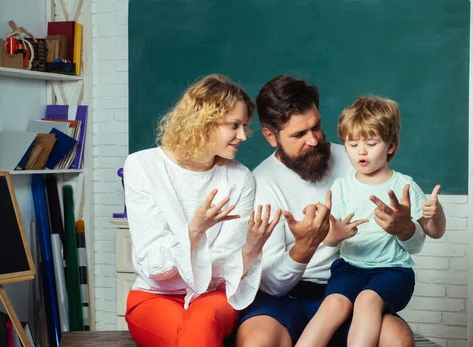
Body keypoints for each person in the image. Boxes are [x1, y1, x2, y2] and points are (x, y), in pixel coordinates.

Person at [236, 75, 428, 347]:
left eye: (316, 127)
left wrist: (406, 229)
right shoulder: (261, 184)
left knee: (397, 339)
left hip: (346, 288)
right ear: (270, 136)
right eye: (299, 134)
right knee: (257, 341)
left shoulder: (356, 160)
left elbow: (415, 242)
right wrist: (305, 245)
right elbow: (273, 285)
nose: (314, 140)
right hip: (283, 299)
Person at [123, 74, 282, 347]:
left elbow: (228, 268)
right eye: (234, 125)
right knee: (193, 337)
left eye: (244, 126)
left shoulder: (240, 178)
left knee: (201, 324)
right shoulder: (142, 166)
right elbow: (153, 266)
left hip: (214, 297)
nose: (243, 136)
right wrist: (195, 231)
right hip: (154, 296)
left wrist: (249, 250)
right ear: (204, 121)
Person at [296, 95, 446, 347]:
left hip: (393, 271)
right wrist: (337, 233)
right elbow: (330, 240)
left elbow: (433, 232)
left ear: (390, 146)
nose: (361, 151)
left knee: (367, 300)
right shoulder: (342, 186)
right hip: (349, 267)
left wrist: (436, 213)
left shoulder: (404, 185)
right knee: (332, 304)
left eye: (371, 143)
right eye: (353, 144)